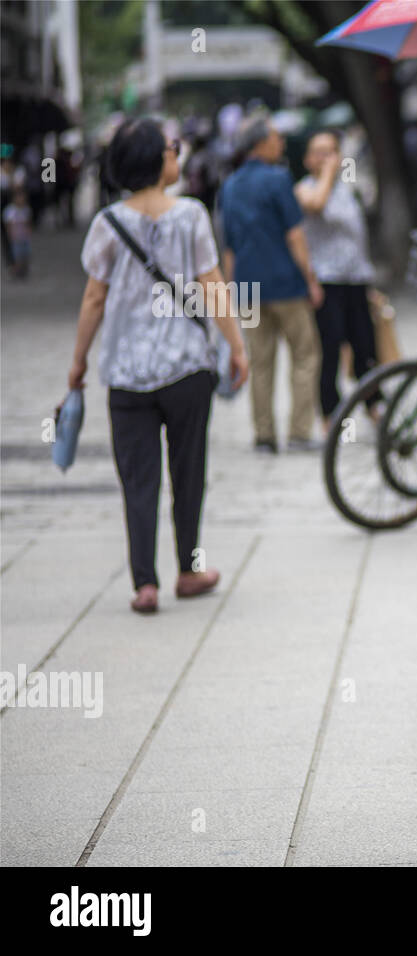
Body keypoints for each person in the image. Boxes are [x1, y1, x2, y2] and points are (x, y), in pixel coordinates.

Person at [69, 118, 249, 614]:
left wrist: (78, 363)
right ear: (156, 159)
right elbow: (212, 285)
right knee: (189, 472)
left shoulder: (106, 223)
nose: (178, 155)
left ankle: (144, 584)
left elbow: (92, 299)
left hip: (126, 375)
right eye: (172, 148)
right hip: (187, 369)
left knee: (138, 478)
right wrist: (236, 346)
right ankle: (189, 570)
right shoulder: (189, 215)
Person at [219, 117, 323, 453]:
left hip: (247, 287)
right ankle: (299, 432)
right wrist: (310, 278)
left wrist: (232, 291)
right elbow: (295, 235)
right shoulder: (279, 180)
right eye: (277, 138)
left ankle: (263, 435)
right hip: (285, 283)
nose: (280, 143)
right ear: (260, 143)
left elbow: (229, 247)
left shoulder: (230, 185)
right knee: (305, 355)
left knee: (259, 361)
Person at [294, 129, 378, 429]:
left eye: (332, 151)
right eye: (320, 152)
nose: (327, 158)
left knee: (366, 347)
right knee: (329, 349)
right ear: (307, 159)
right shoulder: (305, 189)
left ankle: (375, 406)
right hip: (326, 281)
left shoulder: (349, 189)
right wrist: (328, 172)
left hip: (355, 279)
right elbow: (316, 205)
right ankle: (331, 416)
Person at [4, 186, 32, 278]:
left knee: (26, 255)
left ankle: (23, 271)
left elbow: (28, 223)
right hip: (16, 238)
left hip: (25, 237)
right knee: (17, 256)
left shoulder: (26, 210)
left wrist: (29, 233)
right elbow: (8, 225)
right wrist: (10, 235)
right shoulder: (10, 211)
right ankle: (16, 271)